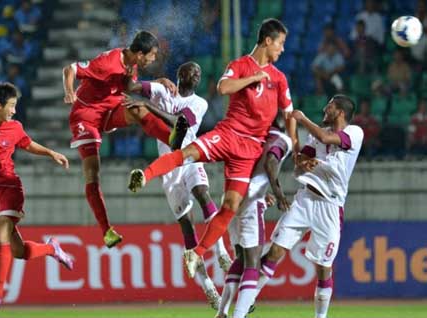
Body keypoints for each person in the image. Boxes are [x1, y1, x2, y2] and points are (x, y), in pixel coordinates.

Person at [127, 18, 297, 278]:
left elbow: (289, 115)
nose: (282, 49)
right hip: (229, 134)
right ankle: (145, 176)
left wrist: (295, 148)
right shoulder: (241, 65)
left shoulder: (280, 79)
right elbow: (224, 87)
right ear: (267, 41)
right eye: (281, 43)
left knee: (230, 205)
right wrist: (252, 78)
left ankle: (196, 253)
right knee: (187, 154)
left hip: (250, 149)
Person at [0, 83, 73, 314]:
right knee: (19, 252)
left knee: (1, 232)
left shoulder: (15, 127)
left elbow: (27, 143)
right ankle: (51, 249)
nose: (14, 111)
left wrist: (51, 153)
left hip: (10, 185)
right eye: (11, 106)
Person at [125, 61, 233, 310]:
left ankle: (221, 252)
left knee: (204, 195)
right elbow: (131, 86)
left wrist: (148, 105)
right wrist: (156, 79)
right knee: (187, 229)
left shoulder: (200, 103)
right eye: (191, 70)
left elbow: (178, 123)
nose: (196, 73)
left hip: (191, 157)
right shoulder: (163, 91)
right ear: (180, 74)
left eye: (199, 71)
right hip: (169, 169)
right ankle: (209, 290)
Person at [62, 30, 177, 249]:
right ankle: (106, 231)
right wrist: (69, 92)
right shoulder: (106, 63)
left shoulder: (131, 64)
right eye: (152, 55)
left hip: (109, 111)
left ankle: (176, 141)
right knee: (92, 174)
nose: (153, 59)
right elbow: (71, 69)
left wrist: (158, 81)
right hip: (86, 117)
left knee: (139, 109)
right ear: (141, 54)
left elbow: (127, 87)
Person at [253, 95, 363, 318]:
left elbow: (325, 135)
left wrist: (301, 118)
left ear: (341, 112)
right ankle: (248, 301)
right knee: (275, 251)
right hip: (305, 200)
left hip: (330, 205)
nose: (325, 108)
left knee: (324, 267)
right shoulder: (317, 140)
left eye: (330, 105)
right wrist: (303, 160)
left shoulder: (354, 133)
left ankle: (320, 317)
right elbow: (301, 160)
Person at [216, 122, 292, 318]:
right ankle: (238, 315)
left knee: (240, 258)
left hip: (231, 195)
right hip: (250, 198)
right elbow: (270, 162)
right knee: (252, 262)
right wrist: (279, 194)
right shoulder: (281, 140)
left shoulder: (250, 133)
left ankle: (222, 312)